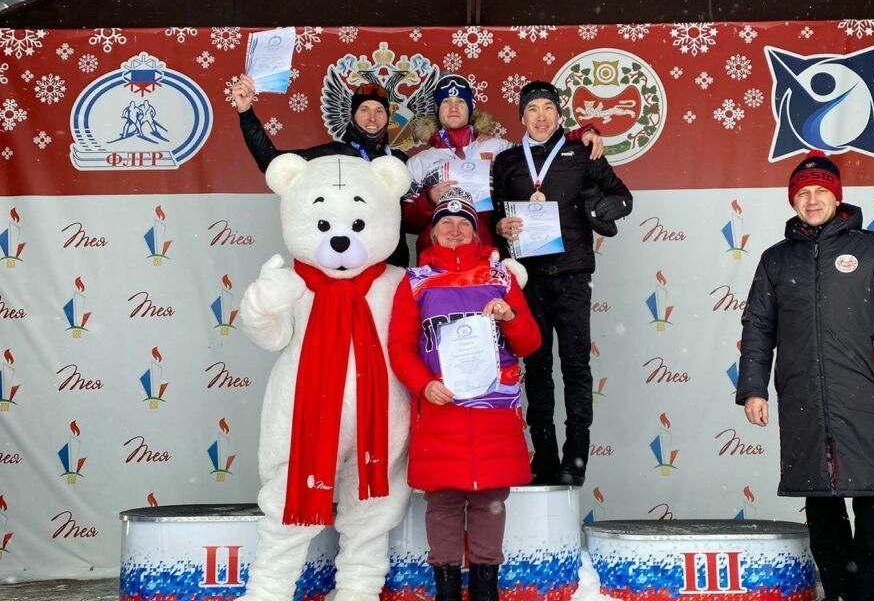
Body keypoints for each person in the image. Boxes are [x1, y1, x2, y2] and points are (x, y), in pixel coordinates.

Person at [737, 150, 874, 601]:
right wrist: (753, 389)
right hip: (805, 402)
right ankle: (839, 595)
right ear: (792, 201)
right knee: (823, 516)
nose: (812, 200)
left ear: (837, 197)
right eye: (802, 193)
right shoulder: (776, 260)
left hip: (868, 399)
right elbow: (758, 327)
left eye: (821, 191)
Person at [388, 188, 541, 601]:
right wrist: (424, 385)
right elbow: (400, 348)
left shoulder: (501, 277)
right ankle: (448, 592)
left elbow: (529, 343)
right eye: (446, 223)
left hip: (494, 411)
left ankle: (487, 591)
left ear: (476, 232)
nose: (455, 230)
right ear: (432, 232)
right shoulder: (414, 281)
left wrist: (510, 316)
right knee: (443, 503)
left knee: (491, 500)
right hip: (442, 409)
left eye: (463, 224)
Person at [492, 81, 632, 487]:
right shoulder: (507, 161)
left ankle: (576, 455)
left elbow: (624, 198)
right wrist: (500, 226)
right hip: (528, 278)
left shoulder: (582, 152)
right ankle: (545, 458)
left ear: (559, 114)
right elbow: (494, 216)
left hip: (572, 274)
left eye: (548, 108)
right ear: (522, 117)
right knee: (536, 367)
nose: (541, 116)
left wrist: (596, 210)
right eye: (532, 109)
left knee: (574, 365)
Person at [404, 74, 605, 257]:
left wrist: (578, 135)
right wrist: (429, 198)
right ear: (437, 109)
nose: (454, 108)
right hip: (436, 260)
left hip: (488, 254)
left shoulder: (498, 147)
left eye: (461, 101)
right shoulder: (420, 162)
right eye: (446, 102)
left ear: (470, 108)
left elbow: (542, 149)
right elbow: (408, 223)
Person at [231, 75, 410, 266]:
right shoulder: (332, 155)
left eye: (379, 111)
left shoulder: (399, 161)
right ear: (353, 116)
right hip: (345, 264)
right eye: (364, 109)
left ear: (388, 117)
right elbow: (272, 162)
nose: (372, 118)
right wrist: (246, 112)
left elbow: (417, 214)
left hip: (392, 267)